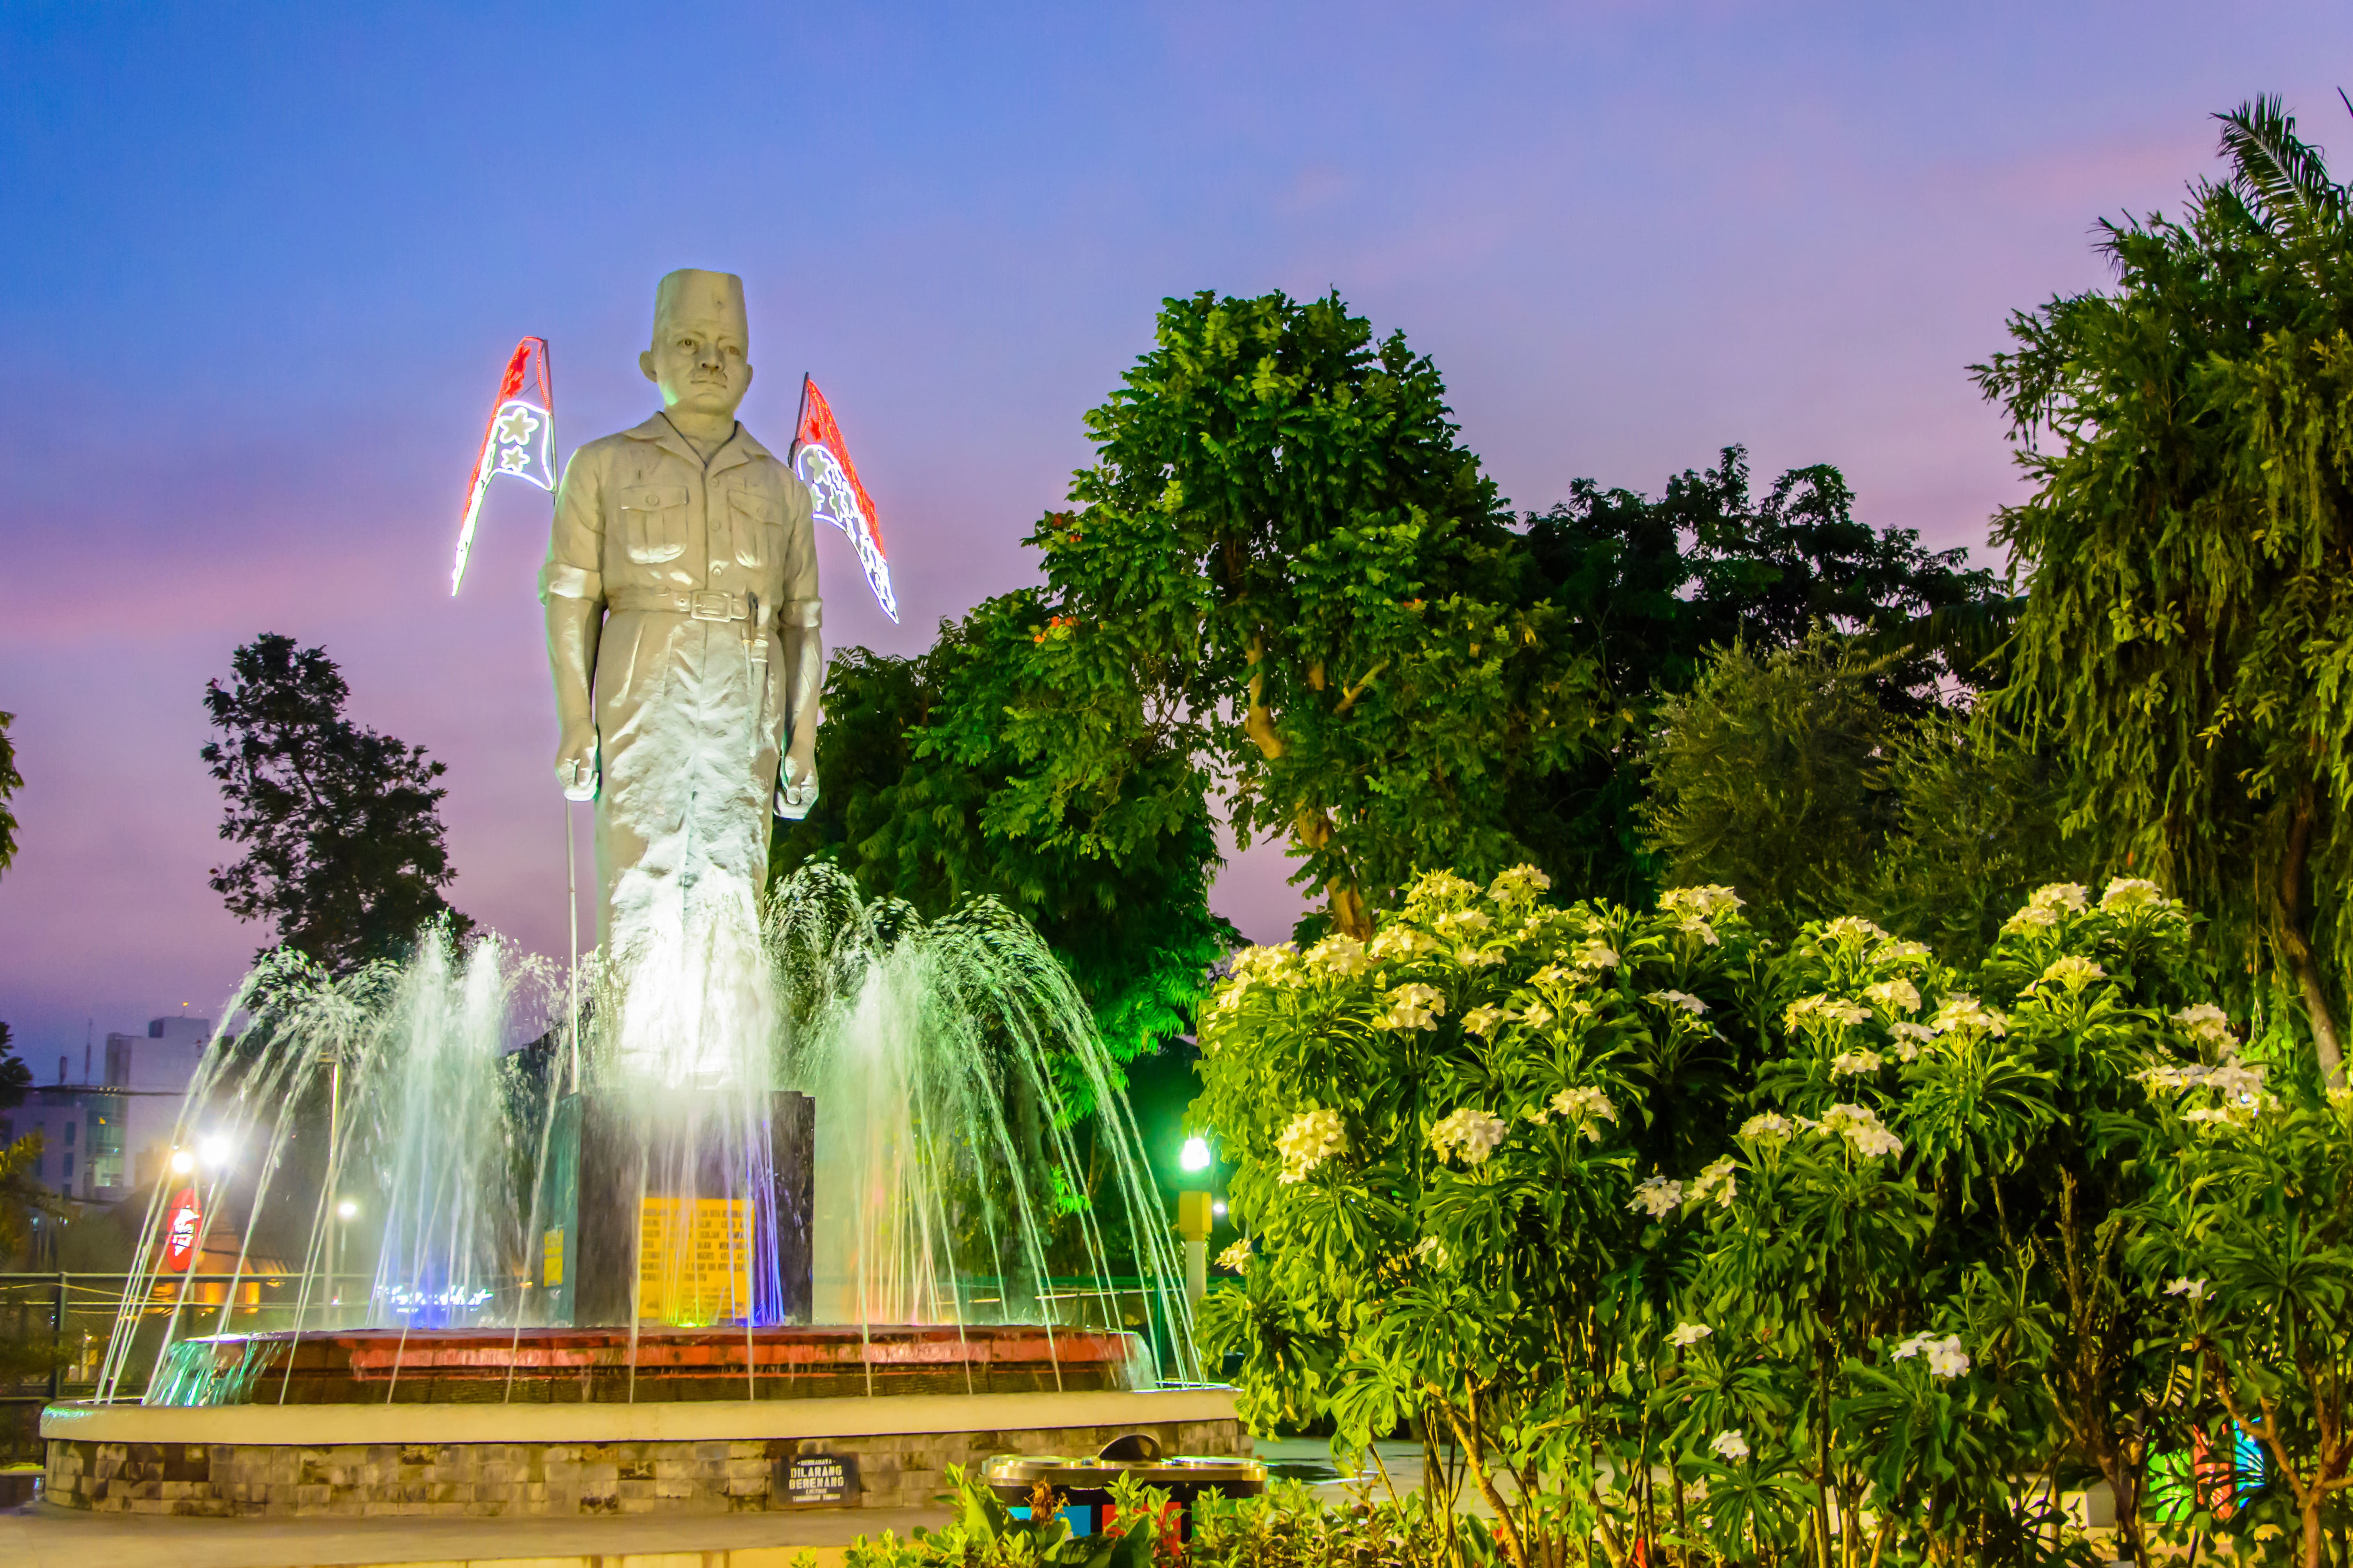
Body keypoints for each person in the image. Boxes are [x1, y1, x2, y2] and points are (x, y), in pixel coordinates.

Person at [538, 270, 820, 1075]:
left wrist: (804, 737)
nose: (709, 362)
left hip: (745, 683)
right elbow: (569, 598)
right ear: (649, 359)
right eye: (689, 345)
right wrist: (573, 716)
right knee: (645, 874)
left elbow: (802, 619)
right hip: (643, 676)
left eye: (728, 349)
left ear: (750, 373)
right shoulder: (600, 467)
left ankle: (723, 1076)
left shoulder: (781, 488)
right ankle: (640, 1077)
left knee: (733, 875)